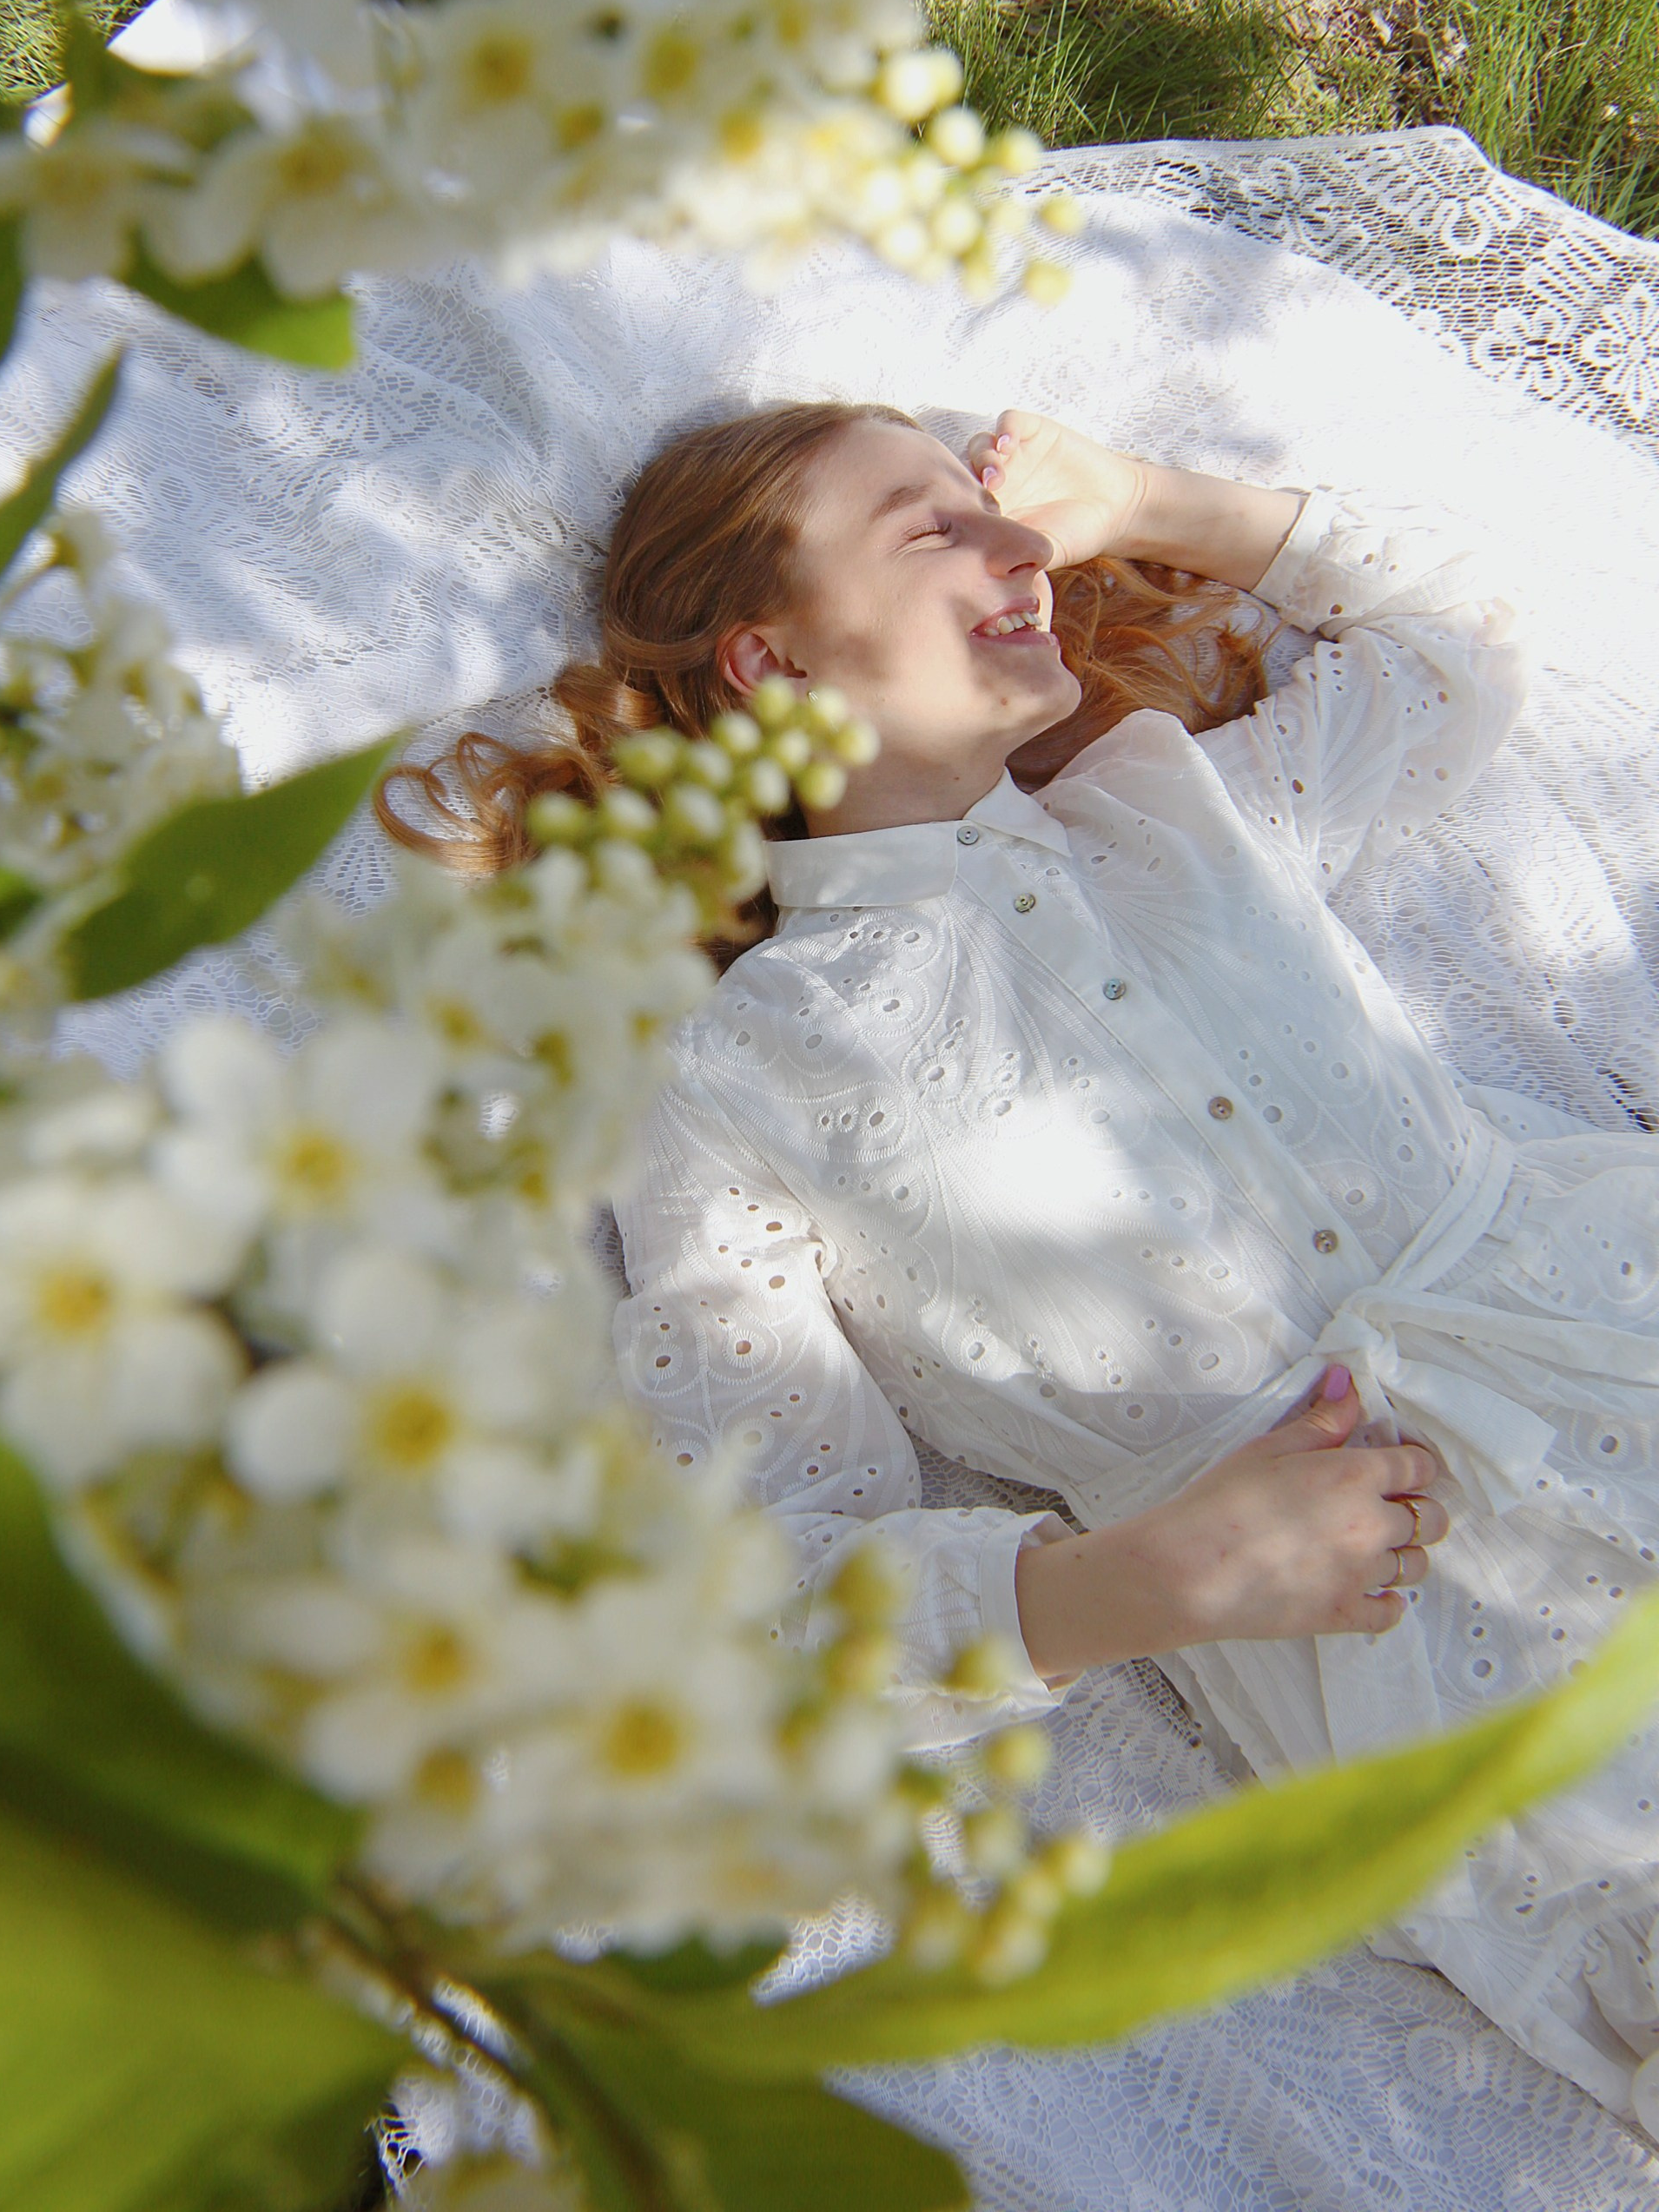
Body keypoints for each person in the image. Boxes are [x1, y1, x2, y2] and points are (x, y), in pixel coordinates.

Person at [380, 397, 1659, 2133]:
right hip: (1420, 1611)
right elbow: (763, 1599)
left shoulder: (1181, 812)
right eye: (930, 531)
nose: (1022, 553)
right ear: (764, 662)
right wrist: (1136, 1585)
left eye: (1001, 519)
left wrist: (1148, 495)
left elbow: (1467, 638)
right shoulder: (732, 1080)